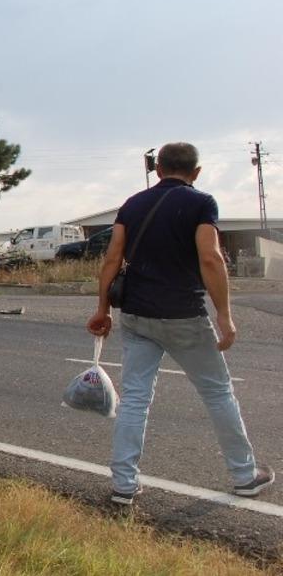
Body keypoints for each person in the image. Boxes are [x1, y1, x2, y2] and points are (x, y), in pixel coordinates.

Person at [87, 142, 273, 505]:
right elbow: (211, 257)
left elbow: (112, 259)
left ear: (158, 169)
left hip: (137, 314)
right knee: (218, 392)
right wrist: (224, 314)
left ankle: (124, 484)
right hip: (184, 314)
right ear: (196, 172)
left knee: (136, 399)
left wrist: (102, 309)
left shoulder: (132, 204)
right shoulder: (202, 203)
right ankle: (244, 474)